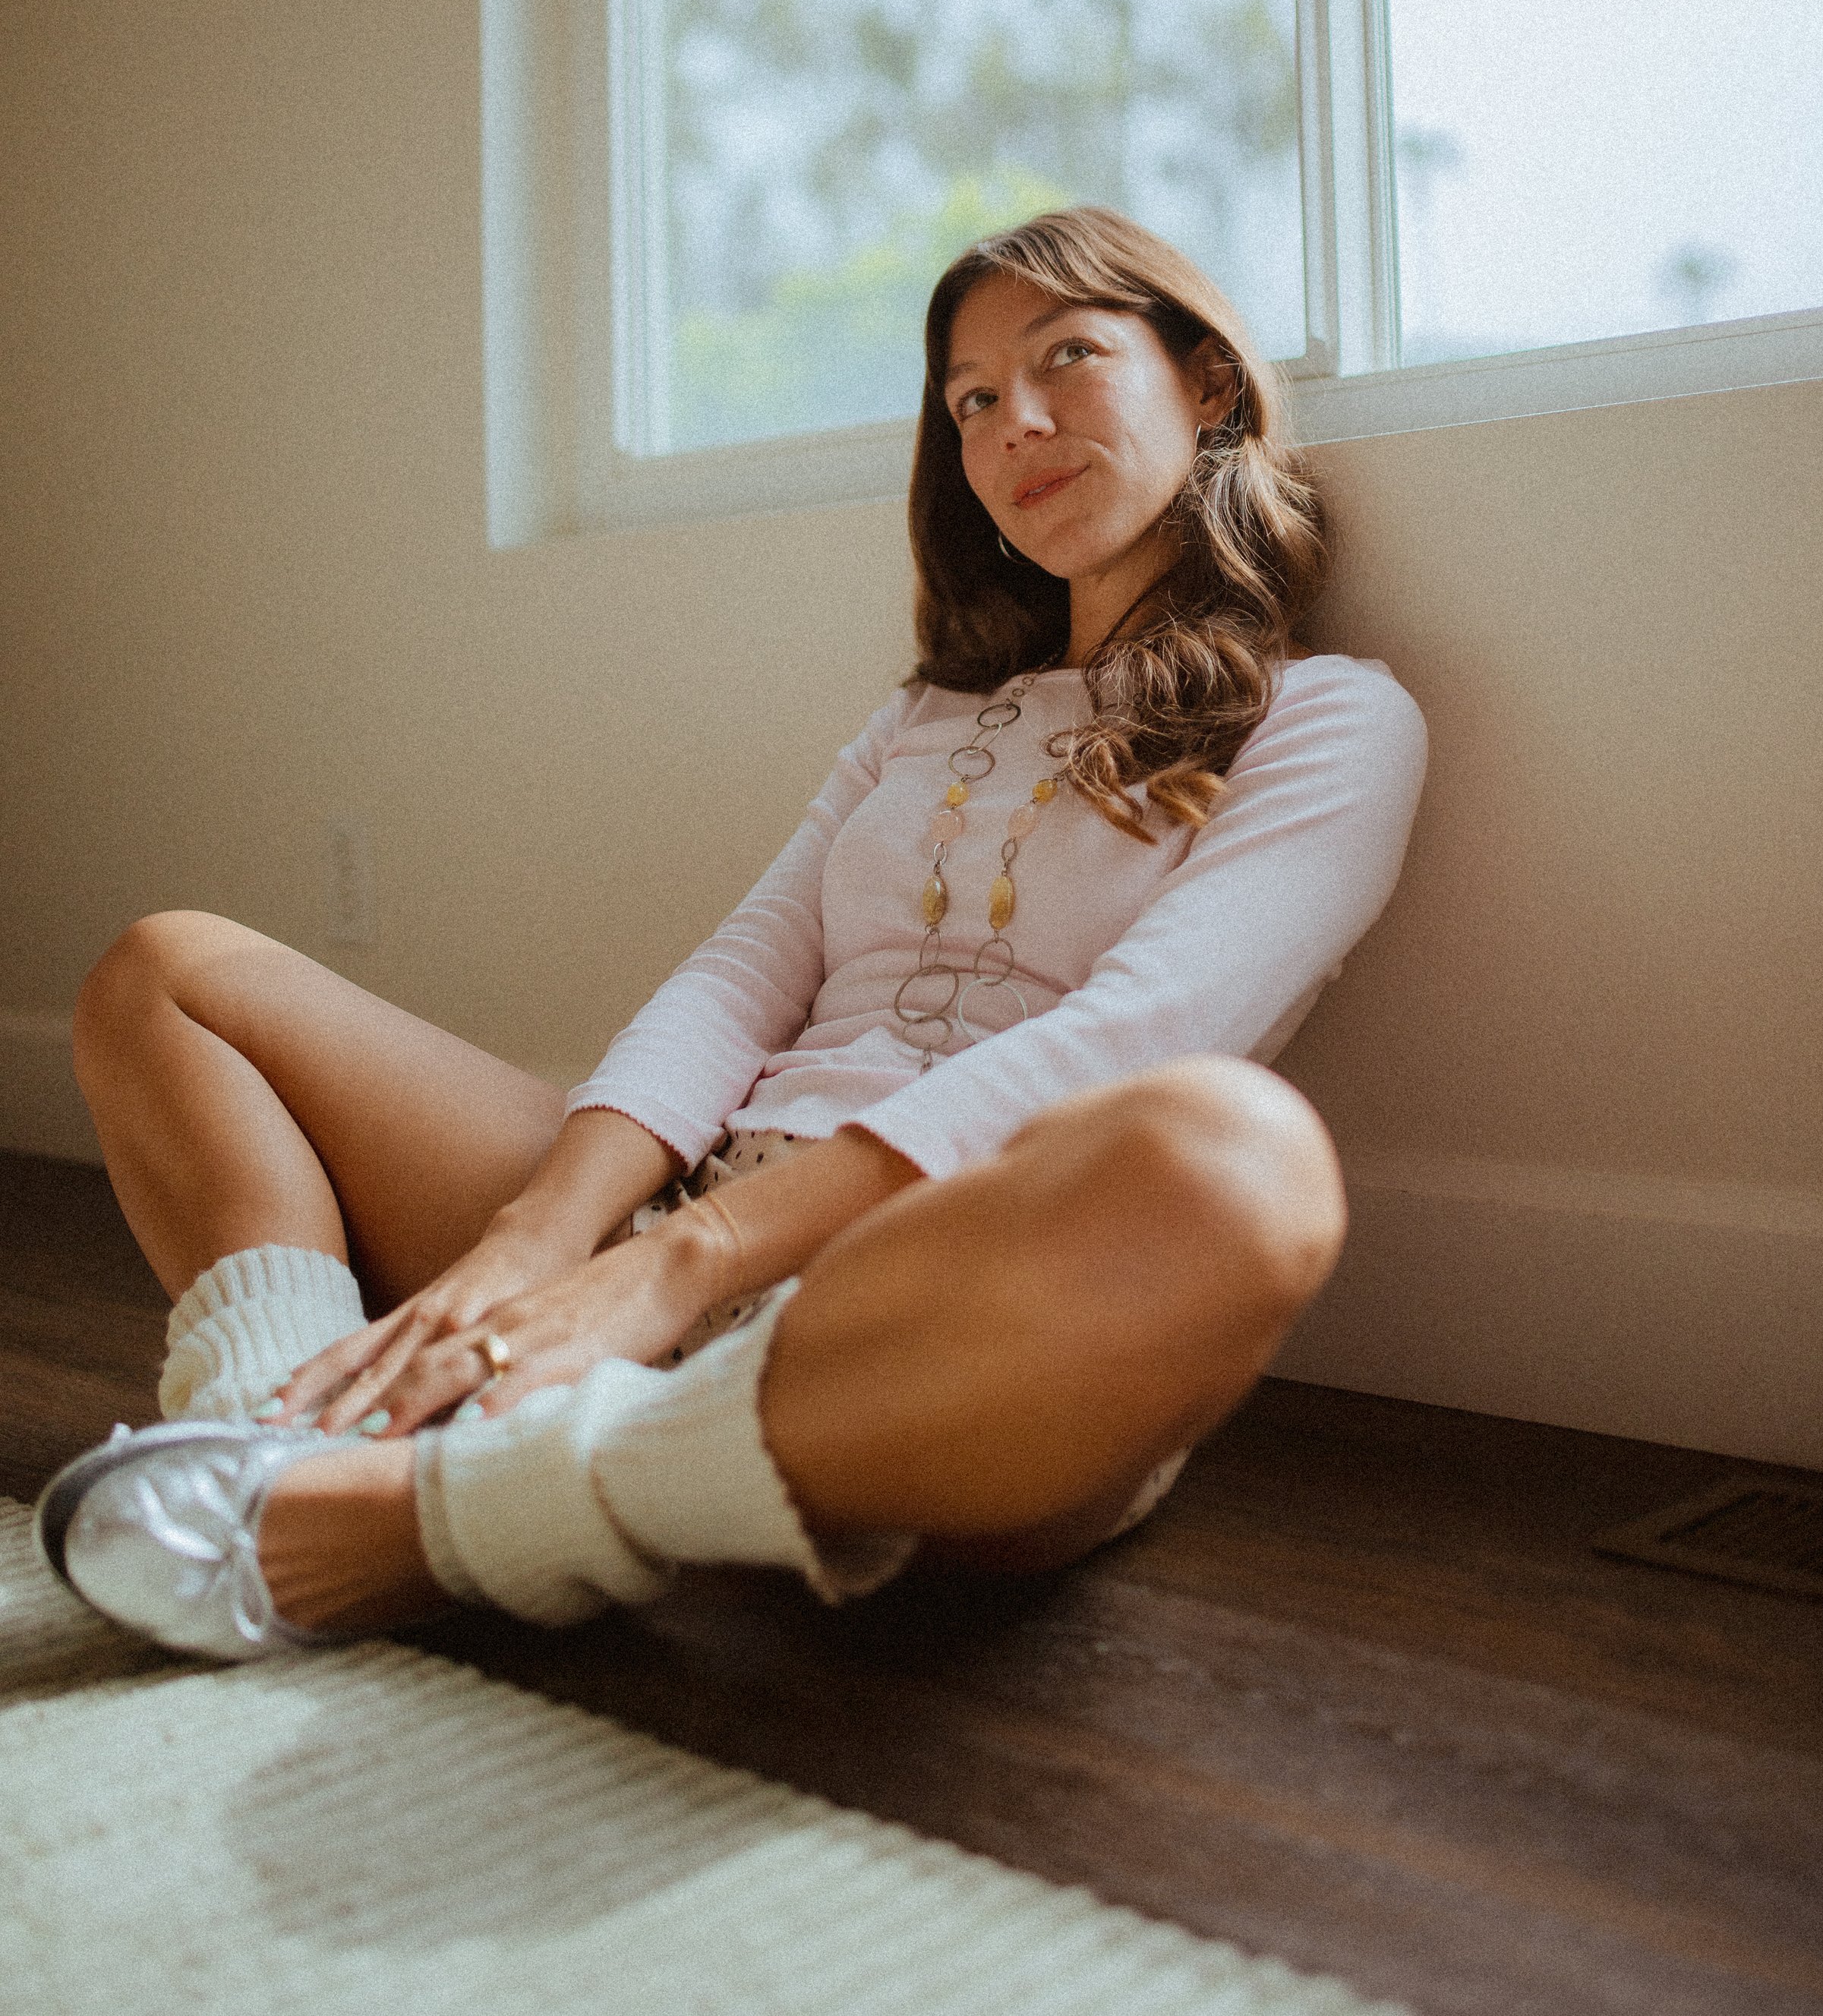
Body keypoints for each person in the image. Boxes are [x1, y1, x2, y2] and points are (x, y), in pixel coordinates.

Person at [37, 207, 1426, 1658]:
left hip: (940, 1298)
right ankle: (281, 1439)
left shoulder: (1334, 717)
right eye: (970, 398)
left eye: (1068, 356)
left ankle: (437, 1514)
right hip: (686, 1204)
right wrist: (540, 1245)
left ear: (1207, 379)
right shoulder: (926, 719)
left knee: (1240, 1164)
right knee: (169, 972)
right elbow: (741, 978)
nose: (1016, 419)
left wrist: (671, 1273)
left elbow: (1131, 1038)